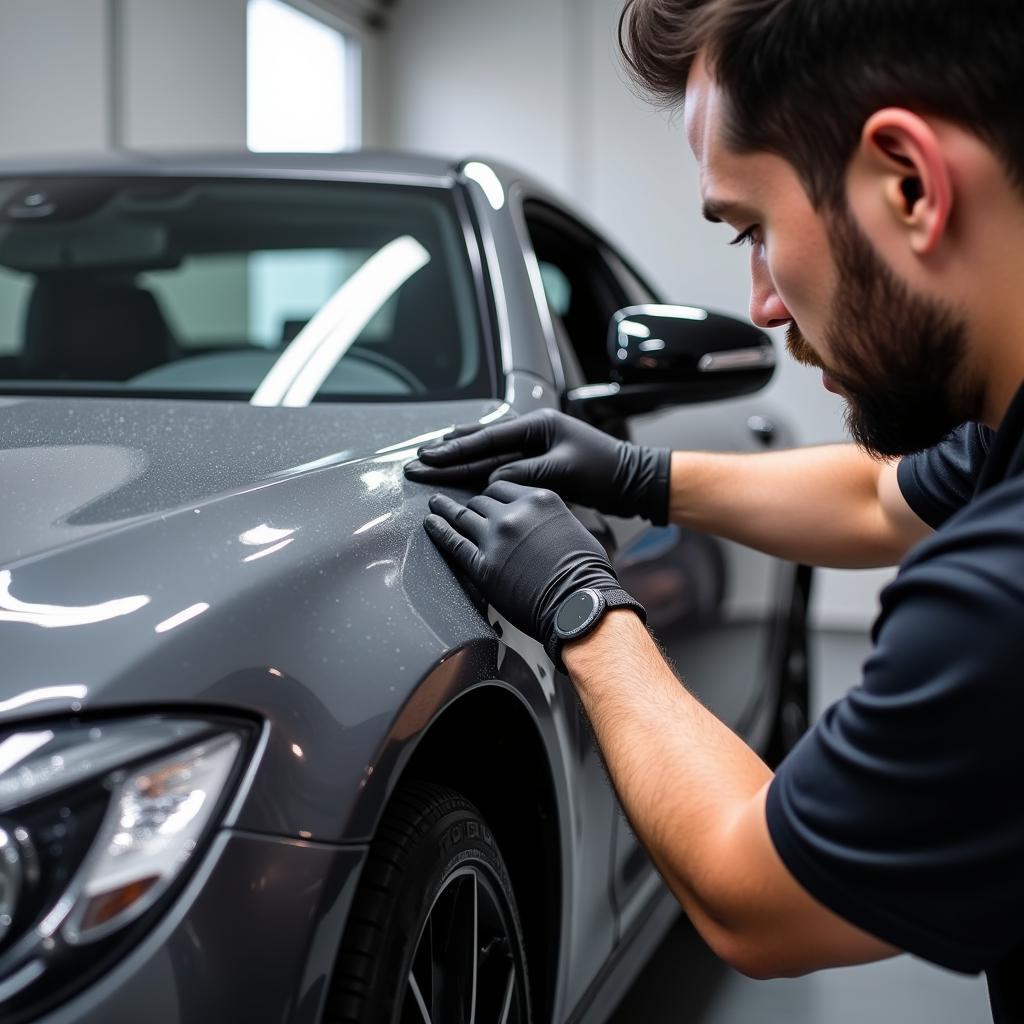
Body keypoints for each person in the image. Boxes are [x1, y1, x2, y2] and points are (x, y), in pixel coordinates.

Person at [403, 1, 1024, 1019]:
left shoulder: (1000, 590)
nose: (764, 305)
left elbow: (754, 897)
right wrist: (634, 475)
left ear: (906, 183)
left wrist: (581, 605)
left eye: (753, 231)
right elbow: (878, 494)